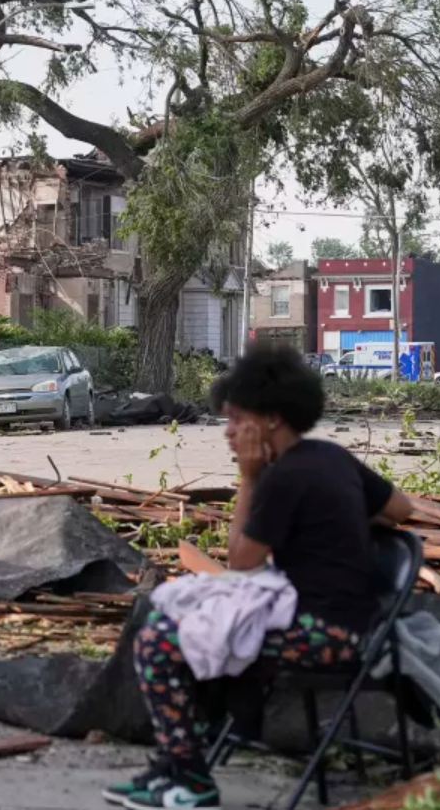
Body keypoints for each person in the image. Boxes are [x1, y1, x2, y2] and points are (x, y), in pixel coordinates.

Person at [104, 342, 415, 809]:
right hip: (357, 625)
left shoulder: (282, 477)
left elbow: (243, 561)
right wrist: (339, 518)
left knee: (159, 641)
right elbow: (400, 510)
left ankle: (189, 775)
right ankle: (178, 763)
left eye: (235, 419)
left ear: (270, 418)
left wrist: (248, 476)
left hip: (326, 635)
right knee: (200, 629)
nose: (228, 432)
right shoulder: (329, 456)